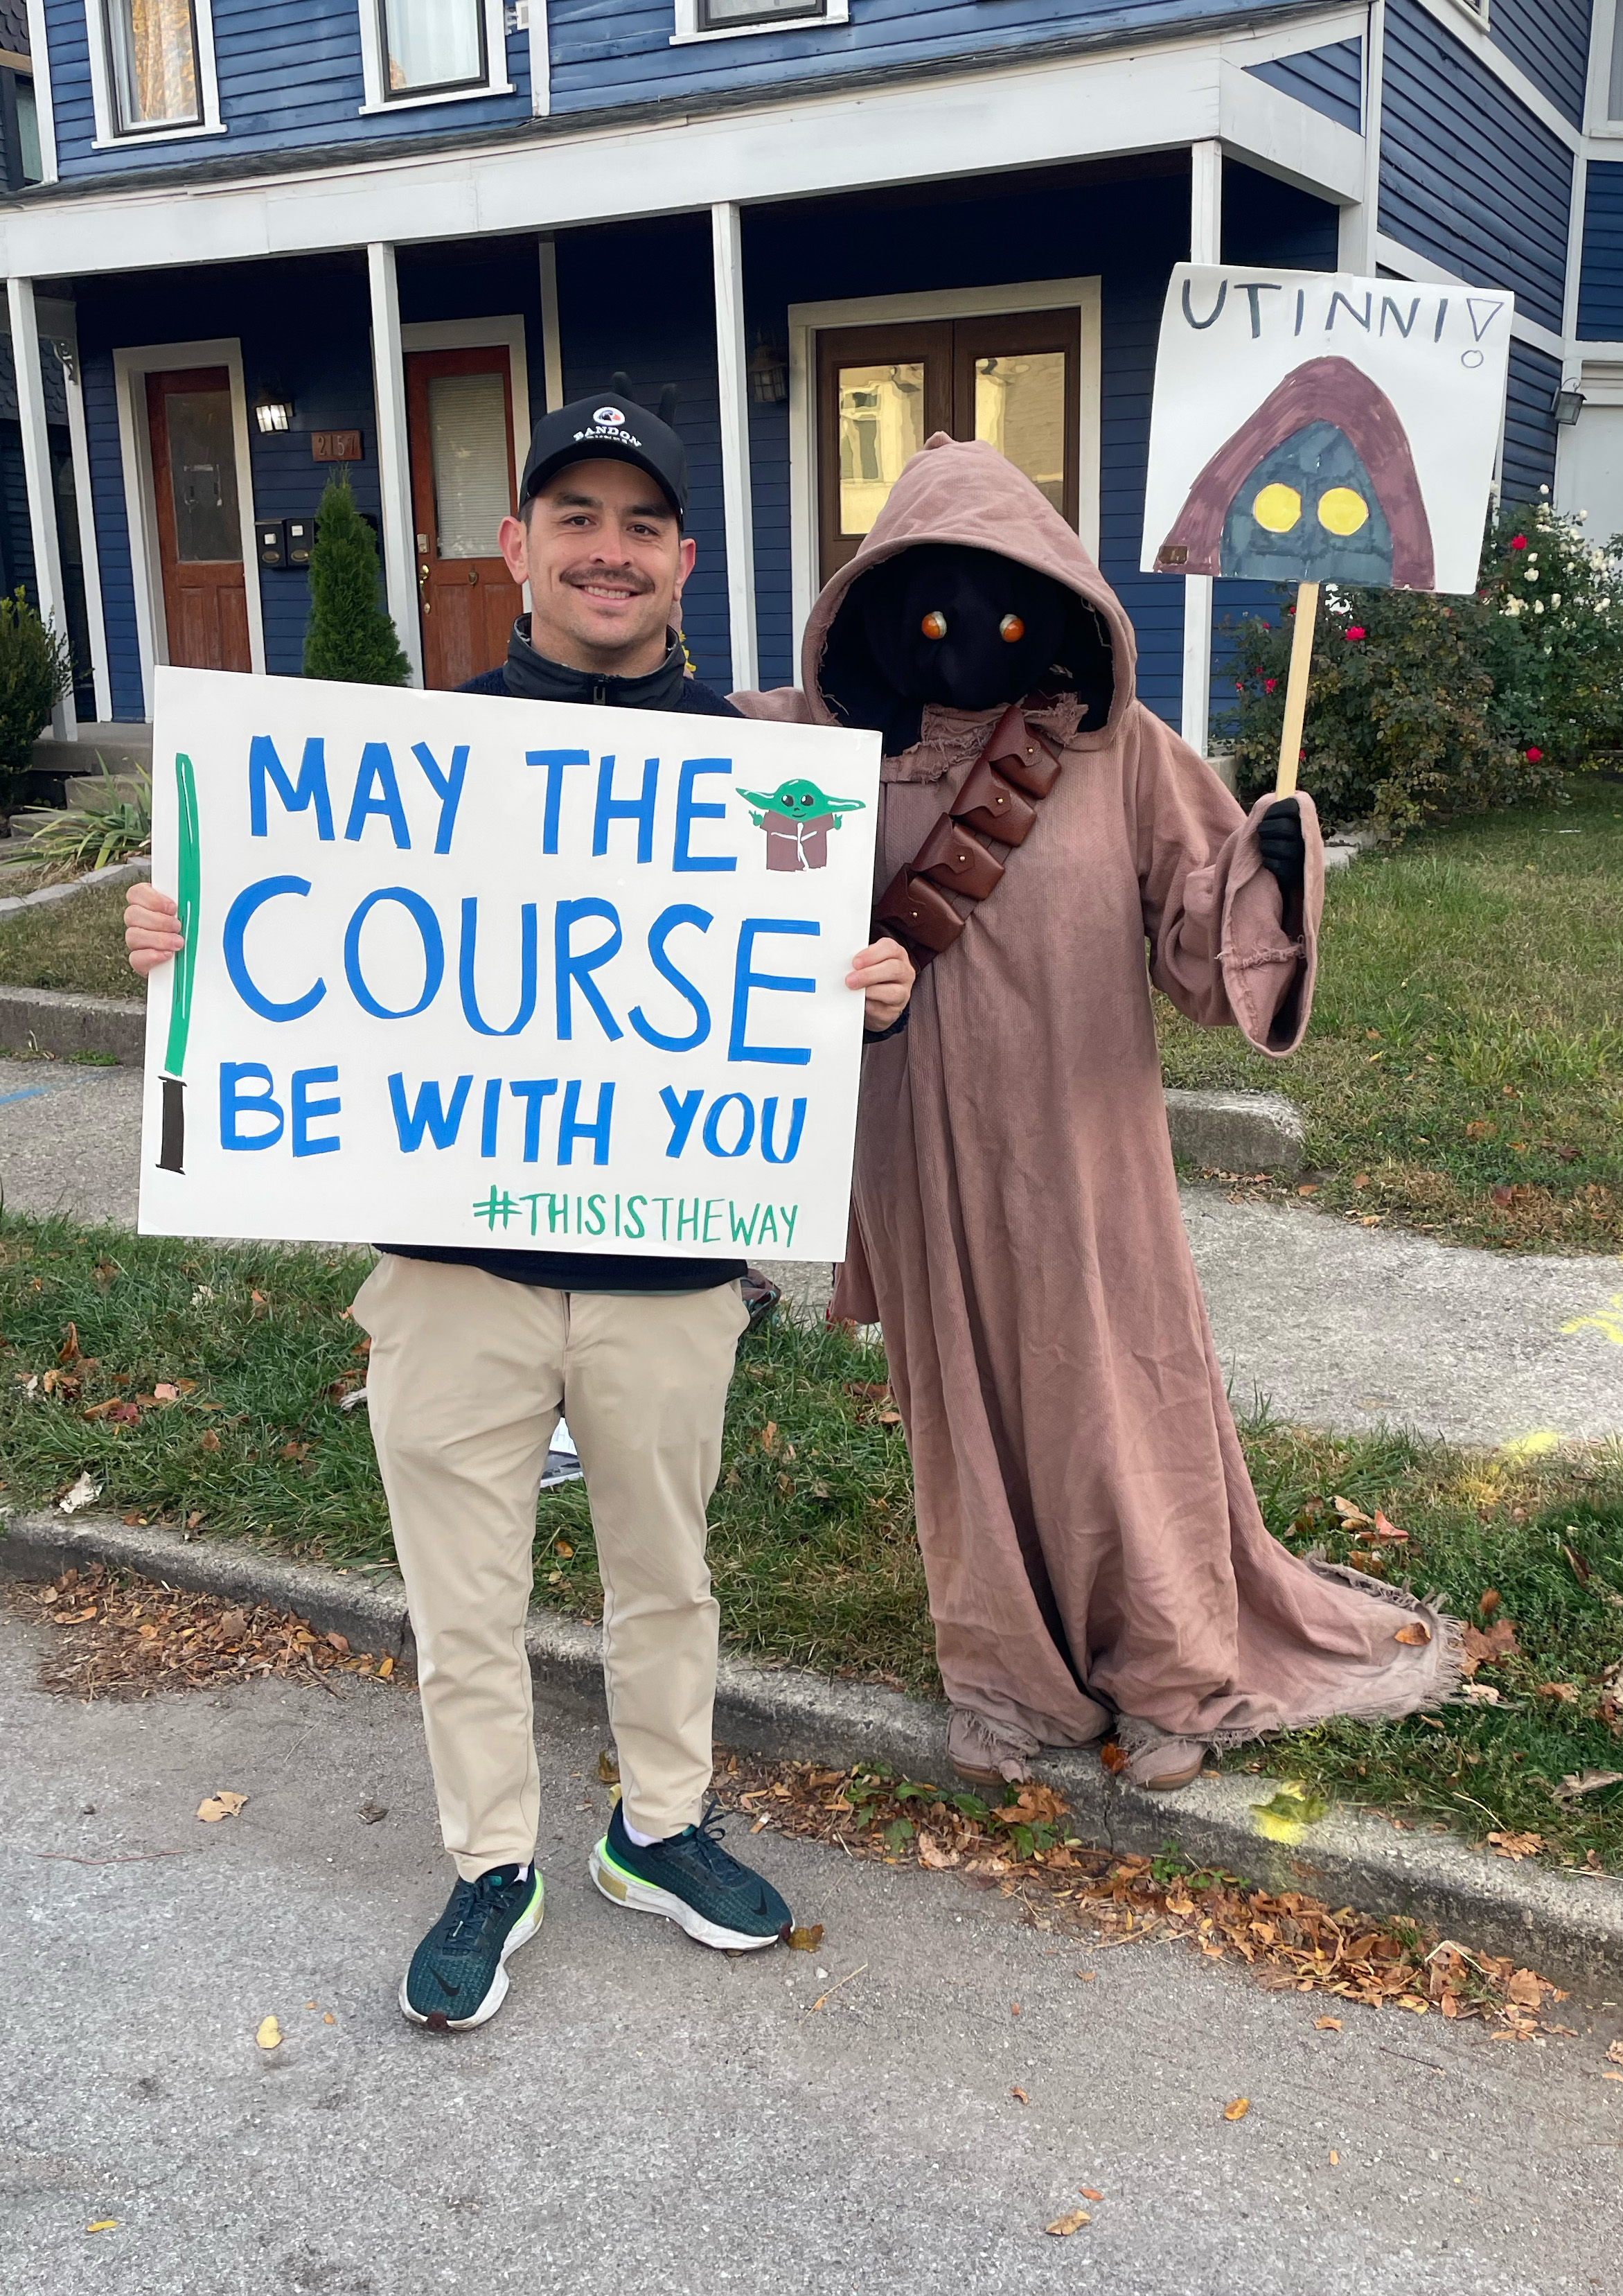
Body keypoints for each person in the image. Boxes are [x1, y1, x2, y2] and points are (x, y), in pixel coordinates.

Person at [125, 390, 915, 2029]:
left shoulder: (766, 777)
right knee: (460, 1595)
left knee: (666, 1572)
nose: (608, 551)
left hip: (669, 1265)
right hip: (451, 1267)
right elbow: (295, 932)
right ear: (518, 546)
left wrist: (870, 987)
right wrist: (180, 932)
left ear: (684, 559)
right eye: (576, 518)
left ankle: (660, 1828)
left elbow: (791, 986)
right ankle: (494, 1860)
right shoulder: (406, 765)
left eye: (640, 523)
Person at [731, 434, 1455, 1793]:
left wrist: (1268, 868)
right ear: (877, 611)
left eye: (1002, 617)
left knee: (1117, 1397)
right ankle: (1010, 1681)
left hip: (1083, 1149)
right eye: (932, 620)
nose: (965, 651)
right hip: (919, 1153)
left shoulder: (1118, 754)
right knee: (967, 1414)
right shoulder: (811, 750)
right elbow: (645, 805)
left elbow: (1200, 936)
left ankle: (1170, 1668)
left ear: (1055, 603)